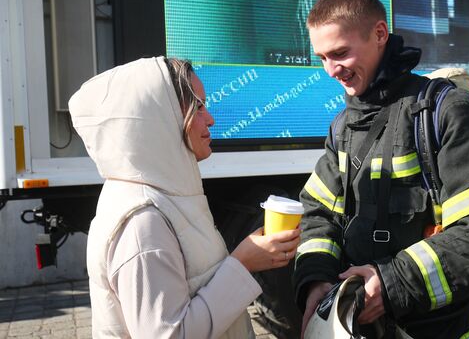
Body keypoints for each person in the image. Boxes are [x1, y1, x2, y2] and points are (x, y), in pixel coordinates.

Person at [293, 0, 469, 339]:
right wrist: (316, 280)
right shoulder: (342, 128)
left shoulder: (449, 113)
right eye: (322, 58)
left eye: (339, 53)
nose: (331, 70)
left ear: (380, 33)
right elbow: (318, 212)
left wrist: (390, 283)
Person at [68, 57, 300, 338]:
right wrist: (242, 264)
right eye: (198, 106)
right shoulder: (143, 223)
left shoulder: (160, 198)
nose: (210, 118)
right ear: (160, 119)